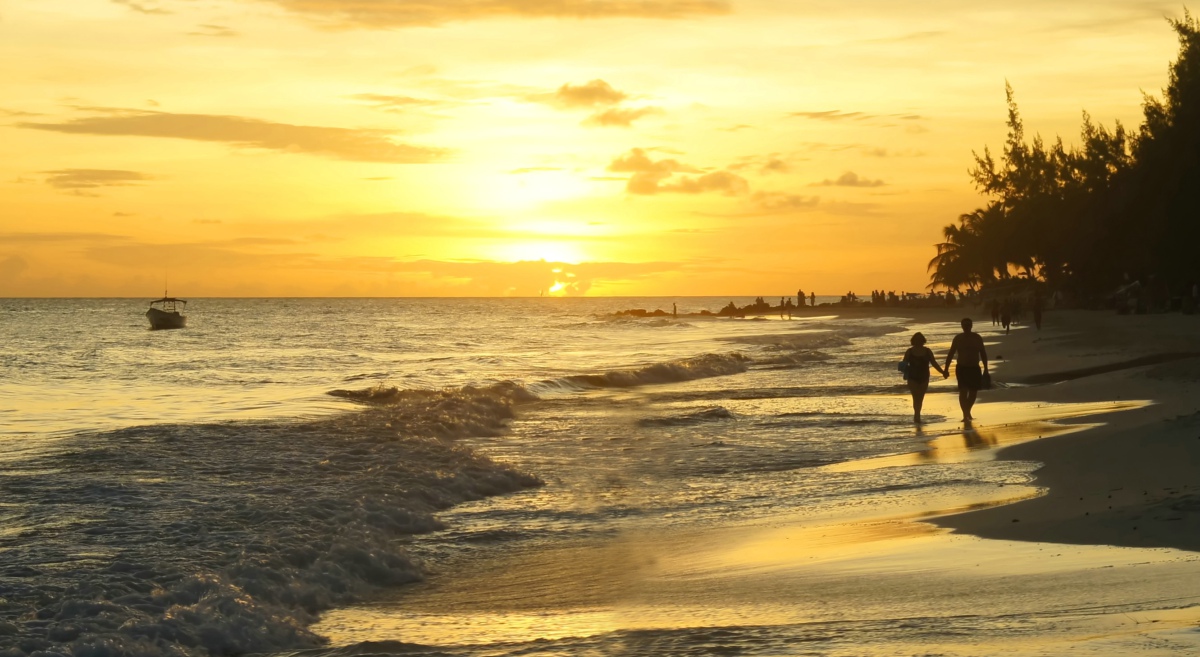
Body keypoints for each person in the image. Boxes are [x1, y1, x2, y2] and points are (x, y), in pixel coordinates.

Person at [945, 318, 989, 422]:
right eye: (964, 325)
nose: (966, 327)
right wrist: (946, 369)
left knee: (973, 392)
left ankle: (967, 411)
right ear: (962, 326)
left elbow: (983, 353)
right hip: (962, 368)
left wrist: (986, 369)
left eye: (968, 325)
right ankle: (965, 414)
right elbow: (950, 354)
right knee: (963, 391)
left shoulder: (977, 338)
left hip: (974, 367)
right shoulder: (958, 338)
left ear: (971, 326)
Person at [902, 332, 947, 424]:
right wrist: (905, 374)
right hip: (912, 377)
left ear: (923, 340)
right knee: (915, 397)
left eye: (920, 339)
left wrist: (943, 372)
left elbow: (934, 363)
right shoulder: (909, 351)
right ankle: (917, 415)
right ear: (913, 341)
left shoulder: (927, 351)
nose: (918, 341)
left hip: (924, 376)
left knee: (921, 397)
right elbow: (903, 364)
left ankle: (917, 414)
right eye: (916, 339)